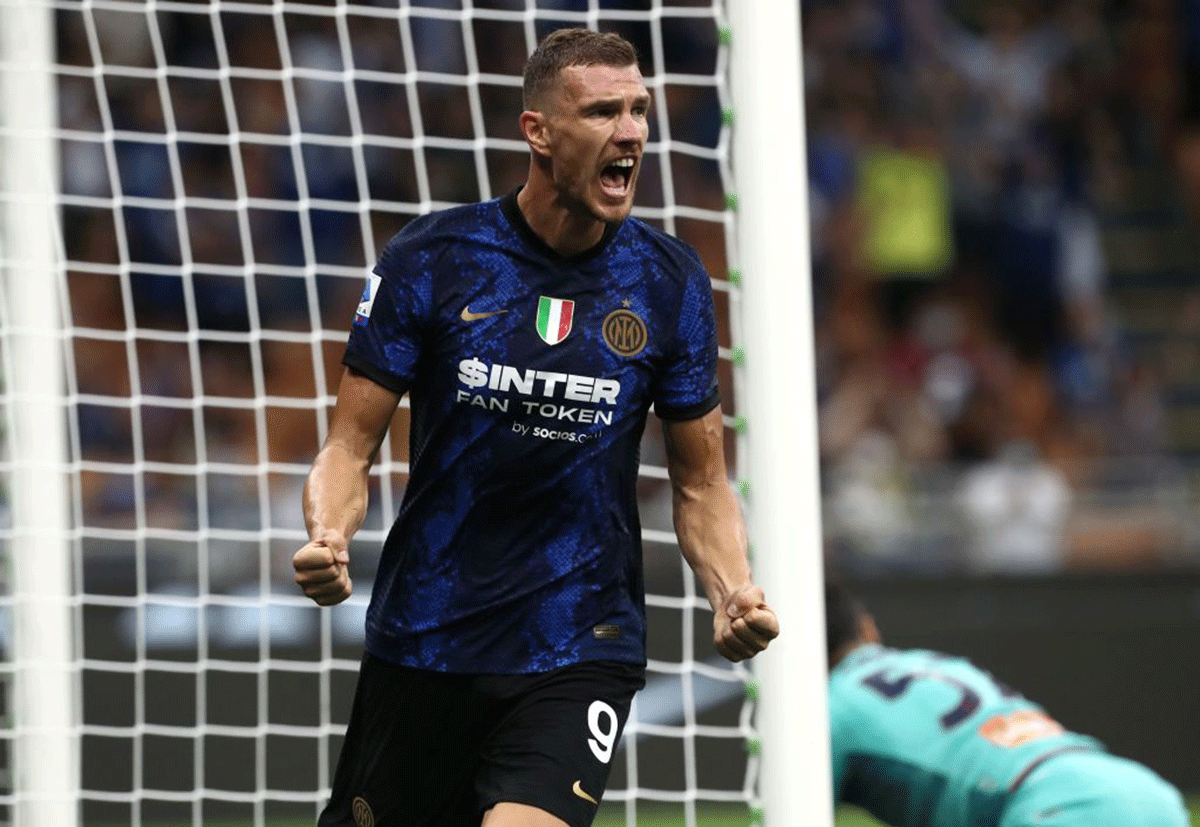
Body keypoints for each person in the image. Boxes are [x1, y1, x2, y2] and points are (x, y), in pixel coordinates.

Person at [292, 27, 779, 827]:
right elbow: (350, 446)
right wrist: (330, 536)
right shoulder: (434, 260)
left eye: (639, 111)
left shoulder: (668, 283)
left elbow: (701, 483)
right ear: (538, 131)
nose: (630, 133)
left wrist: (729, 589)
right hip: (427, 635)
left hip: (578, 639)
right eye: (601, 112)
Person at [825, 580, 1189, 827]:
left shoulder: (828, 704)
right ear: (867, 628)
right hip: (1143, 791)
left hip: (1055, 809)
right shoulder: (933, 661)